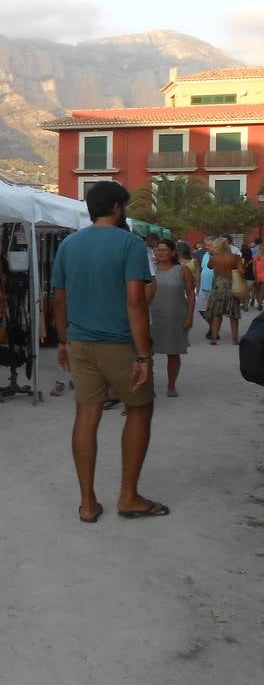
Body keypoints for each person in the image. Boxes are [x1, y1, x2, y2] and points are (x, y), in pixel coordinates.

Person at [52, 181, 166, 523]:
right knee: (140, 411)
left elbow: (59, 298)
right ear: (117, 207)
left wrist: (62, 341)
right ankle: (128, 497)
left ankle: (87, 503)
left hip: (80, 343)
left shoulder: (68, 245)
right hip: (119, 343)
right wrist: (144, 355)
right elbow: (135, 301)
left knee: (86, 415)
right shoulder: (129, 243)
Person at [145, 238, 194, 397]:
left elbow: (191, 294)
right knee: (146, 352)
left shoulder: (183, 270)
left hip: (175, 316)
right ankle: (148, 385)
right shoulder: (148, 269)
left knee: (173, 353)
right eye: (158, 250)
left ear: (173, 252)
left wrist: (189, 317)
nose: (160, 253)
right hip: (151, 316)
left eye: (164, 250)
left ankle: (171, 385)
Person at [206, 237, 244, 345]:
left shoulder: (214, 258)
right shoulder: (235, 257)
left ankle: (214, 339)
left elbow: (209, 267)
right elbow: (242, 272)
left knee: (216, 314)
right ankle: (234, 339)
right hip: (232, 287)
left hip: (218, 288)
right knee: (233, 315)